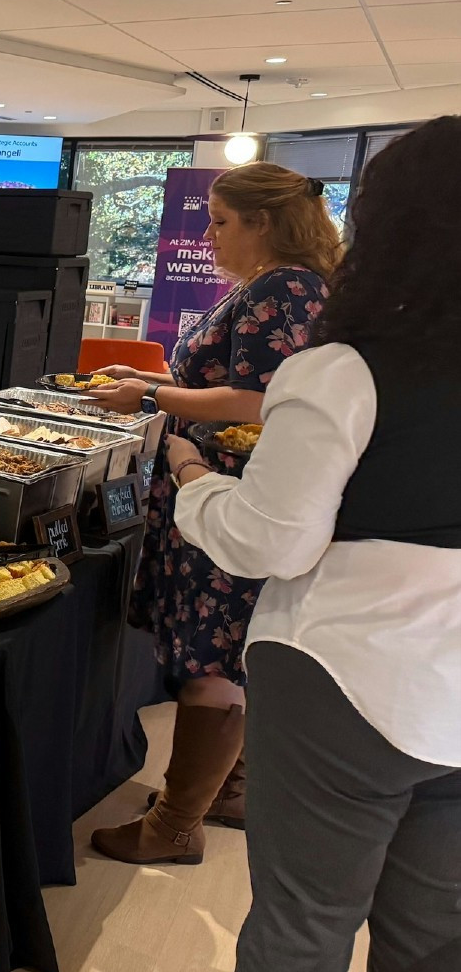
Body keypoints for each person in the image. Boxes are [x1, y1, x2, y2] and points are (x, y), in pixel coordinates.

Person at [168, 117, 461, 972]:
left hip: (344, 669)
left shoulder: (349, 366)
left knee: (303, 922)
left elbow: (271, 539)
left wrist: (190, 479)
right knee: (437, 936)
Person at [83, 161, 341, 865]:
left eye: (221, 222)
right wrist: (151, 380)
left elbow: (256, 402)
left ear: (264, 223)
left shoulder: (285, 287)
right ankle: (218, 792)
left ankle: (175, 826)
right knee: (224, 663)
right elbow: (220, 382)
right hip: (214, 493)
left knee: (213, 666)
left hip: (227, 501)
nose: (209, 234)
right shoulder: (284, 286)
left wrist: (148, 401)